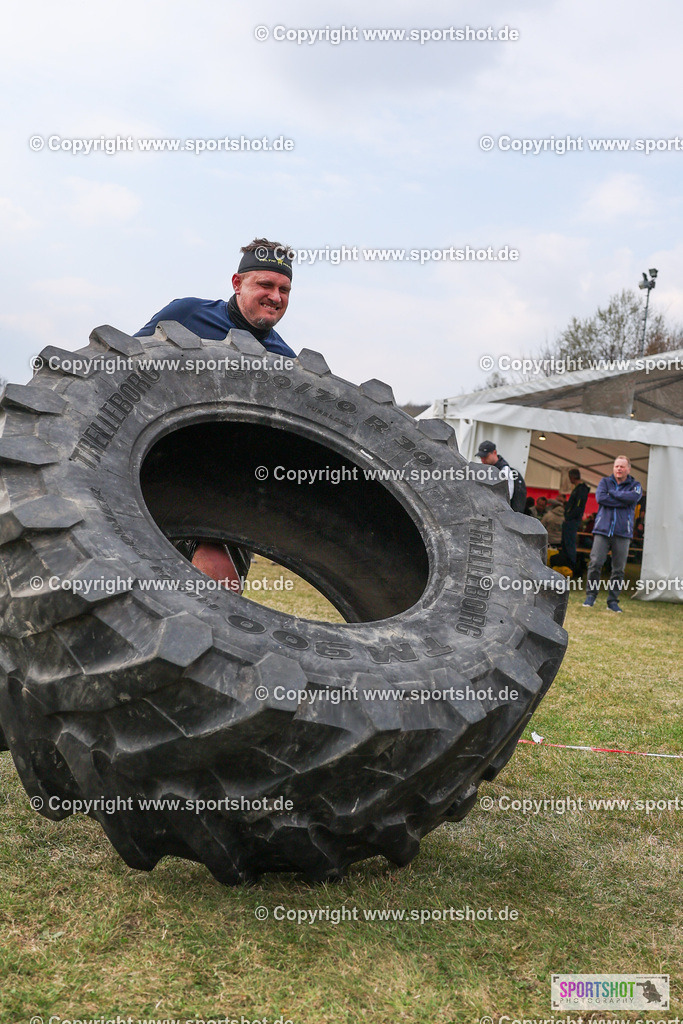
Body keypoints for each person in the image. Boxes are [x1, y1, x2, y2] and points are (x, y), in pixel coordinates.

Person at [136, 238, 296, 588]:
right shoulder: (186, 314)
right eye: (266, 285)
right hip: (155, 465)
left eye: (284, 289)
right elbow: (124, 367)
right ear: (238, 283)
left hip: (224, 489)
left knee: (219, 588)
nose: (276, 297)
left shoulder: (286, 363)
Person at [583, 456, 643, 613]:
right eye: (617, 466)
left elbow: (633, 498)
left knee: (618, 569)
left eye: (622, 466)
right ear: (613, 468)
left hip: (623, 532)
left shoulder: (635, 485)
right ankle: (591, 596)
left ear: (628, 469)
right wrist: (623, 499)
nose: (619, 469)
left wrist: (613, 494)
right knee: (595, 563)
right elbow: (601, 498)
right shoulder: (604, 482)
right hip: (602, 530)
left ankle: (612, 601)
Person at [476, 440, 527, 513]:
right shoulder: (484, 470)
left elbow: (508, 495)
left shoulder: (504, 470)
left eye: (485, 456)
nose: (482, 460)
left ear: (494, 453)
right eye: (481, 457)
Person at [561, 468, 590, 571]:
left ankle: (571, 566)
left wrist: (569, 517)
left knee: (569, 543)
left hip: (572, 521)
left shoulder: (581, 489)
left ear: (572, 477)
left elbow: (578, 507)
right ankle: (567, 564)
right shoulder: (579, 489)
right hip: (571, 520)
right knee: (566, 543)